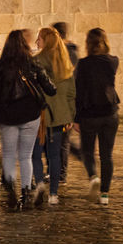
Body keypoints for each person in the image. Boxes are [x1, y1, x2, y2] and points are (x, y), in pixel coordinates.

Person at [0, 30, 57, 210]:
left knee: (9, 154)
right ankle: (25, 193)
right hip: (30, 114)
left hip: (8, 114)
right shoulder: (32, 62)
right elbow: (50, 89)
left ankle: (10, 188)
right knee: (26, 156)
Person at [30, 27, 76, 206]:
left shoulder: (35, 61)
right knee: (54, 155)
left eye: (39, 39)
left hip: (39, 115)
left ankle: (40, 184)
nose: (36, 42)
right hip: (59, 116)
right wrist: (71, 115)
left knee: (35, 153)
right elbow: (71, 93)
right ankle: (54, 194)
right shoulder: (65, 63)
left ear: (45, 41)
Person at [74, 28, 119, 205]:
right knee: (107, 155)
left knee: (88, 151)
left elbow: (79, 91)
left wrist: (76, 117)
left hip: (89, 114)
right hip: (110, 113)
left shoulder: (83, 64)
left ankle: (93, 176)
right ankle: (105, 194)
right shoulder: (113, 61)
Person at [52, 21, 79, 183]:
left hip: (63, 102)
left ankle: (60, 173)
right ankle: (58, 171)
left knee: (61, 140)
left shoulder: (67, 53)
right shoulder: (69, 52)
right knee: (58, 139)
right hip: (62, 102)